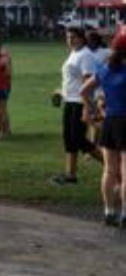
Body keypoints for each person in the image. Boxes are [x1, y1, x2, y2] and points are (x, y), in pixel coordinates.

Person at [82, 31, 126, 225]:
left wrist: (93, 109)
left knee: (109, 170)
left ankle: (108, 211)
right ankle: (124, 213)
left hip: (110, 121)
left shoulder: (105, 69)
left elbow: (84, 91)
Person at [54, 27, 99, 185]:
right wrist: (61, 92)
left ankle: (111, 166)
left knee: (79, 139)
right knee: (69, 139)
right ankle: (70, 175)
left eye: (74, 37)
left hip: (80, 102)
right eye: (68, 37)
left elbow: (88, 82)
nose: (70, 40)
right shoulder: (74, 53)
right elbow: (71, 80)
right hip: (70, 101)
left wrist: (87, 107)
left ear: (81, 38)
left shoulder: (86, 55)